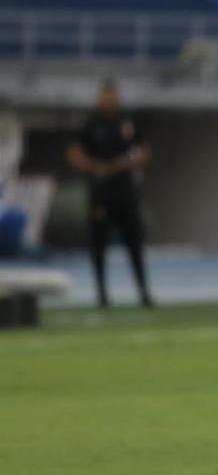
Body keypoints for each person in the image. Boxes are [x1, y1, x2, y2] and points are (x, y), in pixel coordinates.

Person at [67, 80, 154, 308]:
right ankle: (102, 295)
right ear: (100, 98)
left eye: (112, 96)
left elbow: (144, 151)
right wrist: (96, 167)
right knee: (98, 245)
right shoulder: (90, 125)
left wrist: (124, 164)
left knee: (134, 243)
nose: (108, 100)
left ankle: (144, 293)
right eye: (105, 96)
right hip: (100, 193)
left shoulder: (128, 122)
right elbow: (74, 153)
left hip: (125, 191)